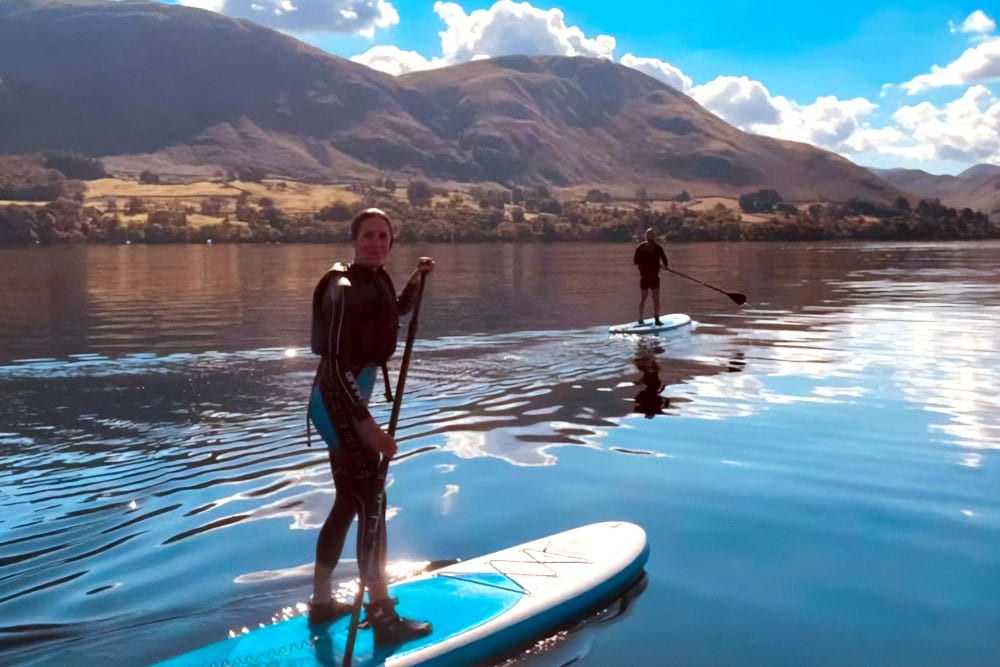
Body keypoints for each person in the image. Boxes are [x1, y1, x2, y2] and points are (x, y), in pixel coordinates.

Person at [306, 207, 434, 647]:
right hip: (337, 401)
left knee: (349, 501)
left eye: (384, 236)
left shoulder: (374, 279)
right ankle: (381, 617)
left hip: (349, 397)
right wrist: (370, 430)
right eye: (368, 236)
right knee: (373, 500)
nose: (376, 243)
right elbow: (338, 369)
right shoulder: (341, 289)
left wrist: (417, 281)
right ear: (353, 238)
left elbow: (393, 310)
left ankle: (321, 601)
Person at [633, 227, 669, 326]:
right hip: (654, 278)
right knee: (655, 299)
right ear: (654, 237)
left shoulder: (639, 247)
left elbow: (635, 262)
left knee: (643, 299)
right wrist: (664, 266)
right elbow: (665, 260)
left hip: (643, 278)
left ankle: (640, 319)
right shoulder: (657, 247)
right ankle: (657, 319)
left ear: (645, 236)